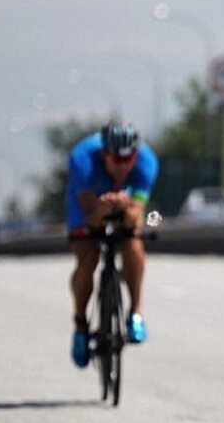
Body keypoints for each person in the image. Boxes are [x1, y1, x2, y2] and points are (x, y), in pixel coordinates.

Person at [65, 118, 159, 368]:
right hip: (88, 201)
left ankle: (135, 312)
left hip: (122, 201)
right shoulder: (82, 159)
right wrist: (102, 209)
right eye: (116, 160)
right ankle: (80, 325)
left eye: (128, 161)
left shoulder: (147, 163)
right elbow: (90, 217)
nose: (122, 167)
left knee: (133, 242)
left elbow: (137, 216)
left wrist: (128, 210)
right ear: (104, 154)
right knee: (88, 256)